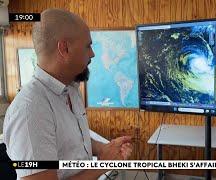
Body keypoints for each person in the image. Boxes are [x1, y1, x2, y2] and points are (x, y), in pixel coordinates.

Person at [3, 8, 133, 179]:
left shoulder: (71, 89)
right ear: (64, 48)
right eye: (88, 46)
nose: (92, 54)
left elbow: (74, 141)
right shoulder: (30, 109)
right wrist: (103, 165)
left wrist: (103, 149)